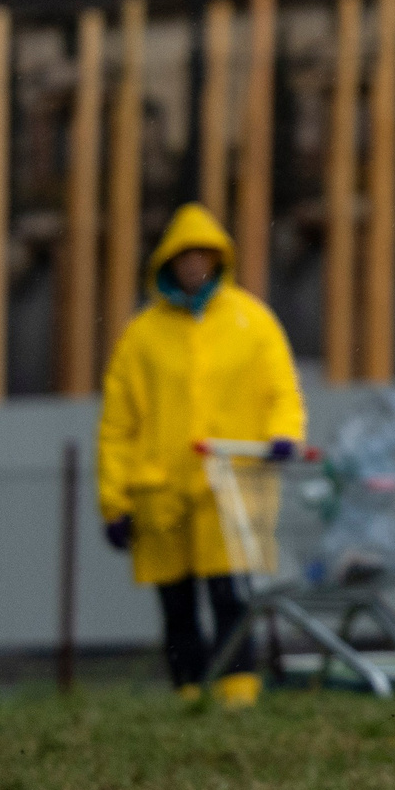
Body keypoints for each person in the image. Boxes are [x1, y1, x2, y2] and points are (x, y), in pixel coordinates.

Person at [98, 202, 306, 707]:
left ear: (218, 260)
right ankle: (187, 690)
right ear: (168, 261)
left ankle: (238, 686)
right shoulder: (141, 336)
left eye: (203, 256)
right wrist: (114, 500)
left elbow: (282, 389)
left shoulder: (251, 322)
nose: (194, 266)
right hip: (162, 489)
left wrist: (283, 435)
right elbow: (118, 425)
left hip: (231, 484)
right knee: (176, 601)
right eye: (184, 256)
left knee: (231, 592)